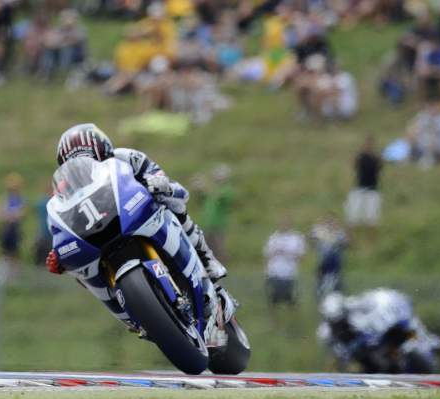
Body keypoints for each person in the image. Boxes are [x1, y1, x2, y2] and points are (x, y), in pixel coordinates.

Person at [45, 124, 228, 285]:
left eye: (89, 159)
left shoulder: (125, 157)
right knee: (79, 269)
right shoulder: (64, 190)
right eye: (75, 164)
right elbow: (62, 224)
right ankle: (125, 307)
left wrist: (155, 182)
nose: (83, 167)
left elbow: (156, 173)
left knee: (172, 198)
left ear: (103, 151)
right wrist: (59, 255)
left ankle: (205, 257)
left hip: (134, 211)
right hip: (96, 235)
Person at [264, 219, 306, 309]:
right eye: (282, 224)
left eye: (286, 224)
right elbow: (267, 254)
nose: (284, 226)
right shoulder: (273, 238)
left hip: (289, 273)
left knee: (289, 300)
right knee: (273, 299)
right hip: (274, 272)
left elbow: (301, 256)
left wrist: (288, 253)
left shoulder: (296, 238)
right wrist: (276, 251)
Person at [346, 136, 382, 237]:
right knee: (353, 215)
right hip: (359, 188)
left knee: (372, 216)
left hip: (372, 189)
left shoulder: (376, 157)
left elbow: (379, 168)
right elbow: (354, 165)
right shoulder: (360, 157)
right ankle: (350, 237)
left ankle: (370, 238)